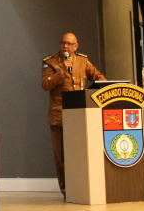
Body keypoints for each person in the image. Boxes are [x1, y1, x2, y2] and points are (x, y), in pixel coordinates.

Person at [41, 32, 106, 196]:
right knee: (62, 157)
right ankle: (67, 191)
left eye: (69, 44)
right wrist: (61, 72)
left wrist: (107, 85)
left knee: (81, 153)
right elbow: (45, 85)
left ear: (76, 46)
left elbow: (97, 76)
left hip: (80, 116)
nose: (65, 46)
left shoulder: (82, 61)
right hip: (59, 117)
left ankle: (82, 187)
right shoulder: (50, 62)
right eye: (63, 43)